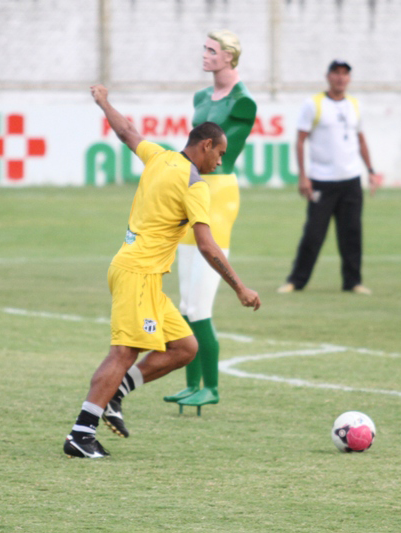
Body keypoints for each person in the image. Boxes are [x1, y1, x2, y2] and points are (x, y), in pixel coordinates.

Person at [63, 85, 260, 459]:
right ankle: (80, 435)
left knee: (185, 347)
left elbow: (126, 132)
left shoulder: (160, 156)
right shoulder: (195, 185)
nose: (220, 163)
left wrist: (104, 102)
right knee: (123, 353)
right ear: (206, 145)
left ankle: (117, 394)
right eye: (220, 154)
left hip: (141, 274)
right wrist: (240, 287)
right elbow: (207, 245)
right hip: (138, 273)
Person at [162, 29, 257, 411]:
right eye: (205, 48)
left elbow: (220, 152)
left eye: (212, 50)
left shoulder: (243, 102)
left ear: (229, 56)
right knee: (186, 303)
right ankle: (192, 384)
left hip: (218, 193)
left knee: (200, 305)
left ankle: (211, 387)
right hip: (195, 186)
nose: (204, 55)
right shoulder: (201, 97)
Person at [277, 60, 376, 295]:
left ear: (349, 78)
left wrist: (371, 170)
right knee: (313, 234)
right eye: (336, 73)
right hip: (322, 180)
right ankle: (296, 281)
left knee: (352, 234)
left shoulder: (354, 105)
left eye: (345, 74)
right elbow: (300, 140)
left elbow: (361, 139)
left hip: (351, 180)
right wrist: (303, 176)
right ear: (328, 76)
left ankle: (353, 282)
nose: (341, 78)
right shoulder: (314, 104)